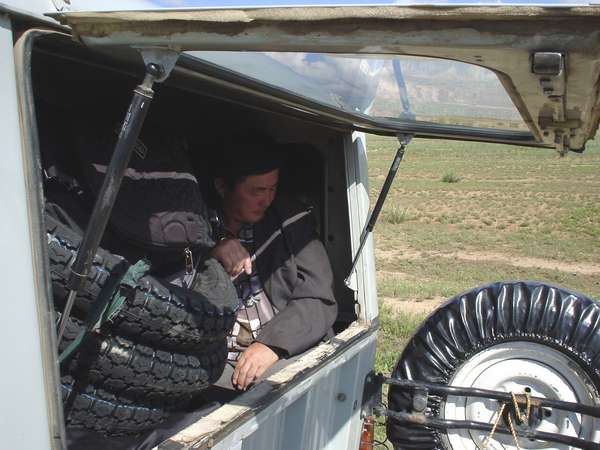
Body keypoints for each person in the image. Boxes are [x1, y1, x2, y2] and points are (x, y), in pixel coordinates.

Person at [208, 141, 337, 391]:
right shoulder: (194, 225)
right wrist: (211, 253)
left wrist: (272, 345)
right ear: (222, 186)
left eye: (272, 189)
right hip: (215, 361)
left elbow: (319, 297)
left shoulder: (289, 221)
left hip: (278, 353)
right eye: (256, 191)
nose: (266, 200)